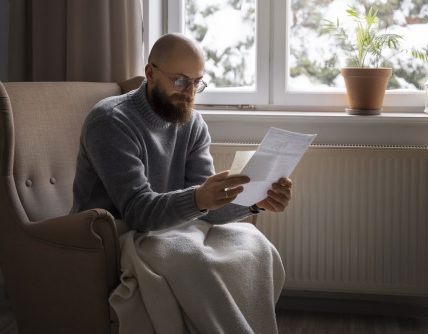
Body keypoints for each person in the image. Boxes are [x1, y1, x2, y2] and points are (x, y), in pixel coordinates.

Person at [72, 33, 292, 334]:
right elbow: (137, 211)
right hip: (116, 233)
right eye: (180, 81)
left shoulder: (192, 123)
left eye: (197, 82)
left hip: (174, 225)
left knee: (256, 246)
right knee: (192, 260)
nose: (189, 92)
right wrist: (200, 199)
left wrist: (255, 201)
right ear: (150, 73)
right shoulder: (110, 121)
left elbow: (206, 208)